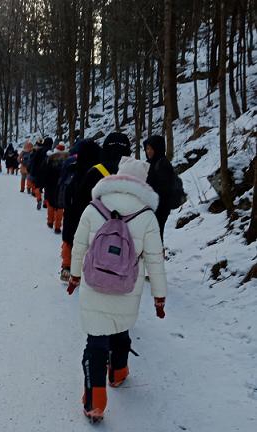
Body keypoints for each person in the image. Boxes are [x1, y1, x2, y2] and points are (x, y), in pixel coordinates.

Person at [68, 156, 167, 423]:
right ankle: (119, 372)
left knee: (96, 339)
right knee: (120, 327)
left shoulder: (94, 208)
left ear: (117, 177)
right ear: (142, 183)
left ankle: (95, 402)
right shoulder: (147, 216)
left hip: (94, 283)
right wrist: (159, 296)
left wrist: (74, 275)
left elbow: (78, 245)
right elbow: (155, 260)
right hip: (127, 286)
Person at [60, 139, 101, 281]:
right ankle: (86, 268)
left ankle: (67, 266)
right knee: (88, 240)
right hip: (93, 210)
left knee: (70, 238)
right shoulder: (99, 170)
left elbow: (65, 186)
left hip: (73, 209)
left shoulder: (74, 167)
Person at [144, 135, 176, 241]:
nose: (148, 151)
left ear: (157, 148)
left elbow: (164, 188)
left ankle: (158, 251)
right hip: (149, 206)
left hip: (160, 207)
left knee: (156, 234)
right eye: (147, 148)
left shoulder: (163, 163)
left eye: (151, 149)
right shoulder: (148, 163)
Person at [43, 142, 69, 234]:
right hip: (62, 187)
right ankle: (58, 227)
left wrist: (45, 184)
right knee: (60, 207)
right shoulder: (68, 160)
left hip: (51, 186)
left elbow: (46, 174)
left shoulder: (51, 160)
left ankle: (50, 222)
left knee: (51, 204)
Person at [29, 137, 53, 210]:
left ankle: (39, 199)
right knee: (47, 189)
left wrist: (32, 171)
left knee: (37, 187)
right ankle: (45, 203)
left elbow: (34, 161)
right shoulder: (52, 152)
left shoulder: (39, 151)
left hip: (39, 173)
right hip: (49, 173)